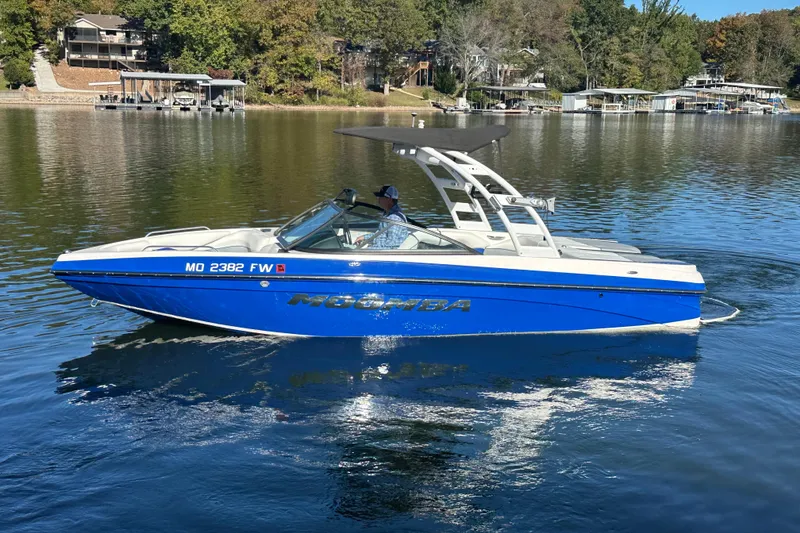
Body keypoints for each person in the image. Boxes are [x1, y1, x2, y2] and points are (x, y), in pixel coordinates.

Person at [356, 185, 409, 250]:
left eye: (381, 197)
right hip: (378, 247)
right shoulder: (387, 213)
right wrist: (364, 237)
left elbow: (391, 245)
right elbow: (381, 234)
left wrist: (368, 250)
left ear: (389, 199)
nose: (378, 199)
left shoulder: (394, 218)